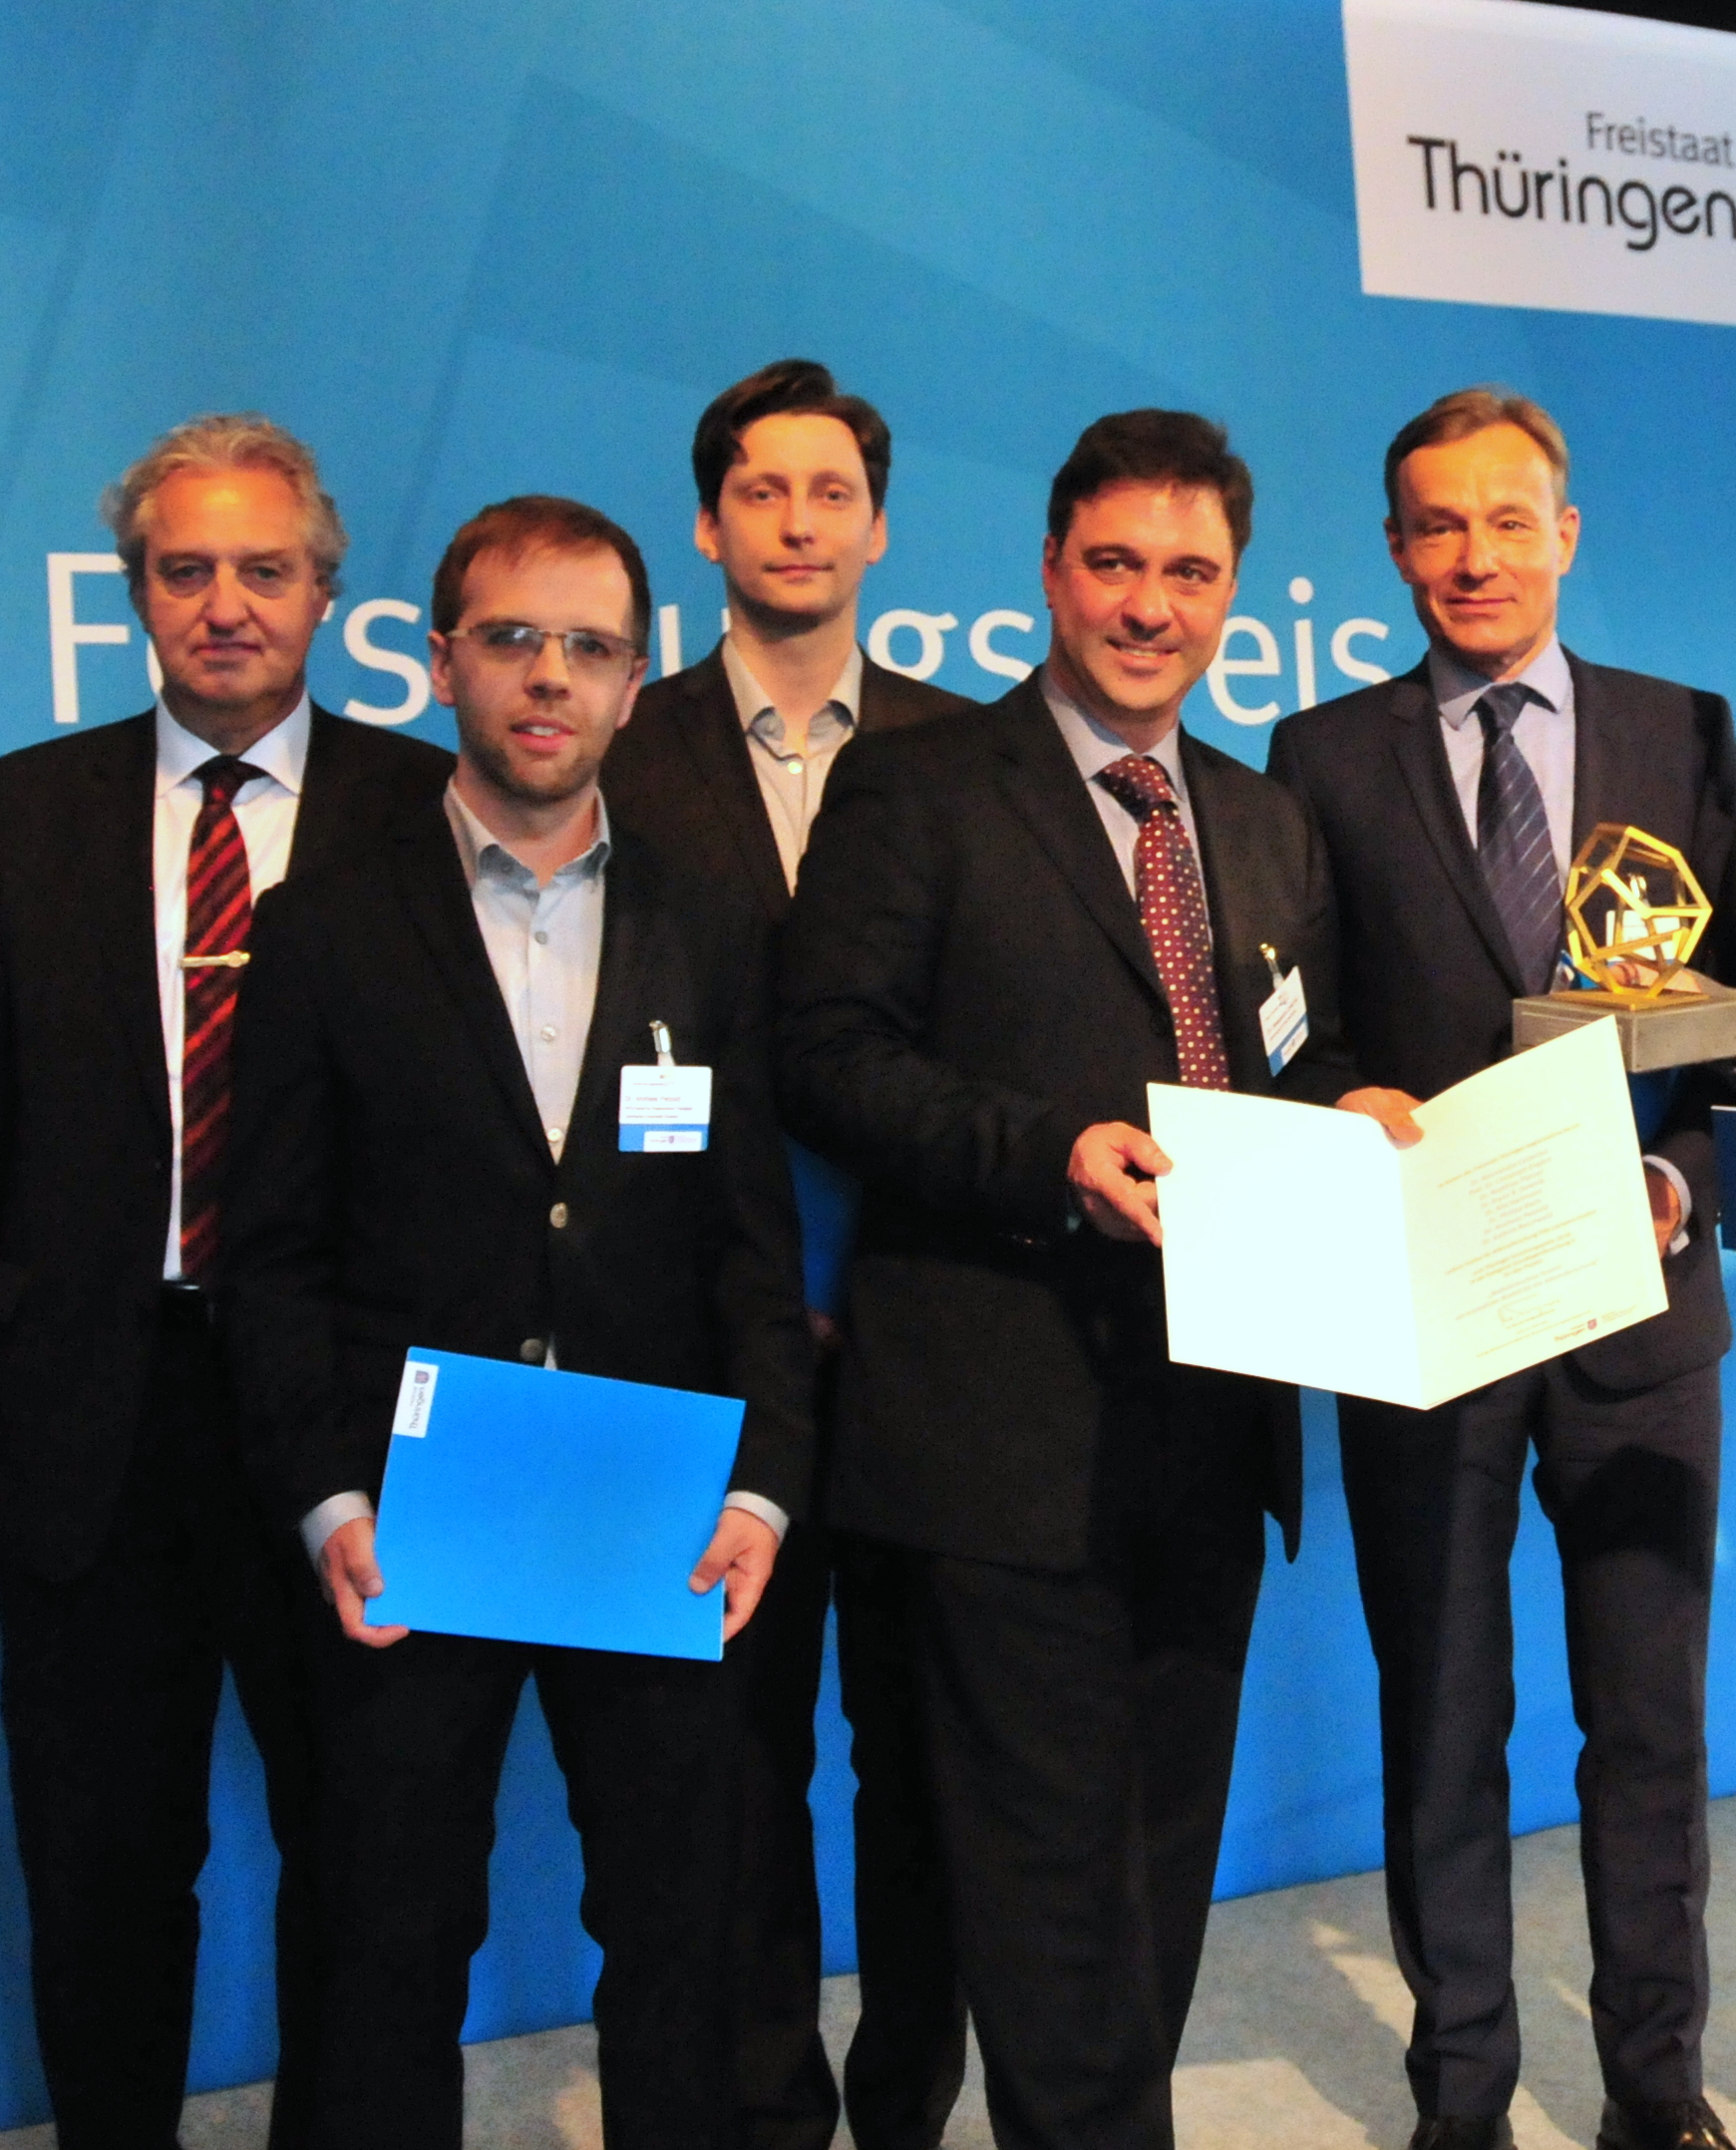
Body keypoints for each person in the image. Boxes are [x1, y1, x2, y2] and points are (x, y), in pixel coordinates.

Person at [775, 410, 1387, 2150]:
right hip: (996, 1439)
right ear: (1050, 572)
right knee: (1048, 1902)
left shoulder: (1261, 819)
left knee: (1152, 1878)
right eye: (1114, 564)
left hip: (1213, 1427)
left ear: (1233, 594)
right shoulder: (918, 788)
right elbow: (827, 1056)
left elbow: (1296, 1048)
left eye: (1189, 573)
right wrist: (1050, 1151)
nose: (1147, 606)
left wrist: (1355, 1102)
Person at [0, 414, 449, 2150]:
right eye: (185, 571)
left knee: (367, 1852)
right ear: (132, 594)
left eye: (263, 569)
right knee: (103, 1864)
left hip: (347, 1424)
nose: (225, 605)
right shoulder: (22, 811)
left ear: (326, 593)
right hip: (86, 1423)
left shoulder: (427, 809)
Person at [218, 495, 815, 2148]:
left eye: (591, 647)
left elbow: (754, 1249)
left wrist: (764, 1487)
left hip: (653, 1500)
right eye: (512, 639)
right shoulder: (325, 924)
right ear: (440, 662)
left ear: (634, 679)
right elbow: (274, 1257)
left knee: (680, 1939)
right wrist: (327, 1497)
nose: (550, 676)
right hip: (417, 1508)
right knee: (389, 1942)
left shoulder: (711, 919)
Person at [1263, 387, 1736, 2150]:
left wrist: (1679, 1178)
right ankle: (1460, 2096)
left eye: (1503, 520)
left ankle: (1657, 2092)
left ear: (1566, 533)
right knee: (1442, 1719)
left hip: (1642, 1306)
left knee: (1649, 1726)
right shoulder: (1320, 757)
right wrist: (1337, 1099)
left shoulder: (1684, 731)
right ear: (1393, 548)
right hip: (1433, 1310)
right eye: (1435, 526)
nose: (1471, 557)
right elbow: (1294, 1029)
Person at [602, 358, 972, 2150]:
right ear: (706, 524)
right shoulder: (621, 747)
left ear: (879, 526)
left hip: (930, 1351)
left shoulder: (969, 753)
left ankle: (904, 2107)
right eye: (762, 490)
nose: (800, 522)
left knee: (922, 1770)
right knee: (728, 1777)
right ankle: (763, 2114)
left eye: (833, 492)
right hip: (706, 1353)